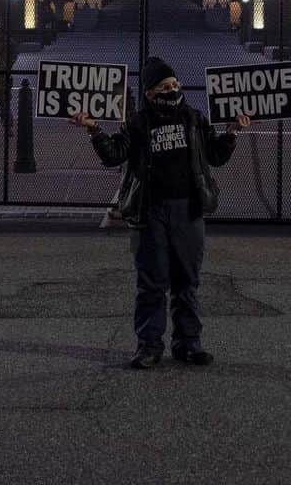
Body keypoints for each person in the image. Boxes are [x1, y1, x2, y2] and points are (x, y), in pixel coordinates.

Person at [73, 56, 249, 370]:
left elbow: (216, 156)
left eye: (175, 84)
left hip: (188, 210)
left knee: (187, 282)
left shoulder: (194, 119)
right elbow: (115, 155)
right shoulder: (138, 123)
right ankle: (149, 347)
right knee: (152, 283)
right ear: (150, 93)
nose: (173, 89)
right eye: (165, 86)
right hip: (150, 210)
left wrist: (233, 131)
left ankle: (188, 344)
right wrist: (94, 130)